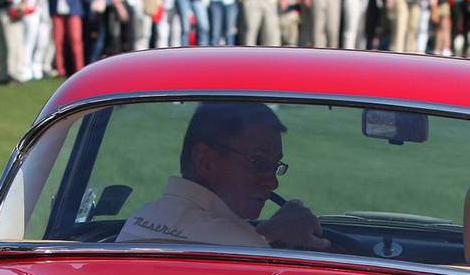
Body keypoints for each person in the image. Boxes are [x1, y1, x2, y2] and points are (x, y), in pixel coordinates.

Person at [117, 102, 325, 249]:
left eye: (274, 166)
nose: (273, 182)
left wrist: (264, 234)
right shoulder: (242, 245)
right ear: (206, 160)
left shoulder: (140, 217)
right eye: (257, 162)